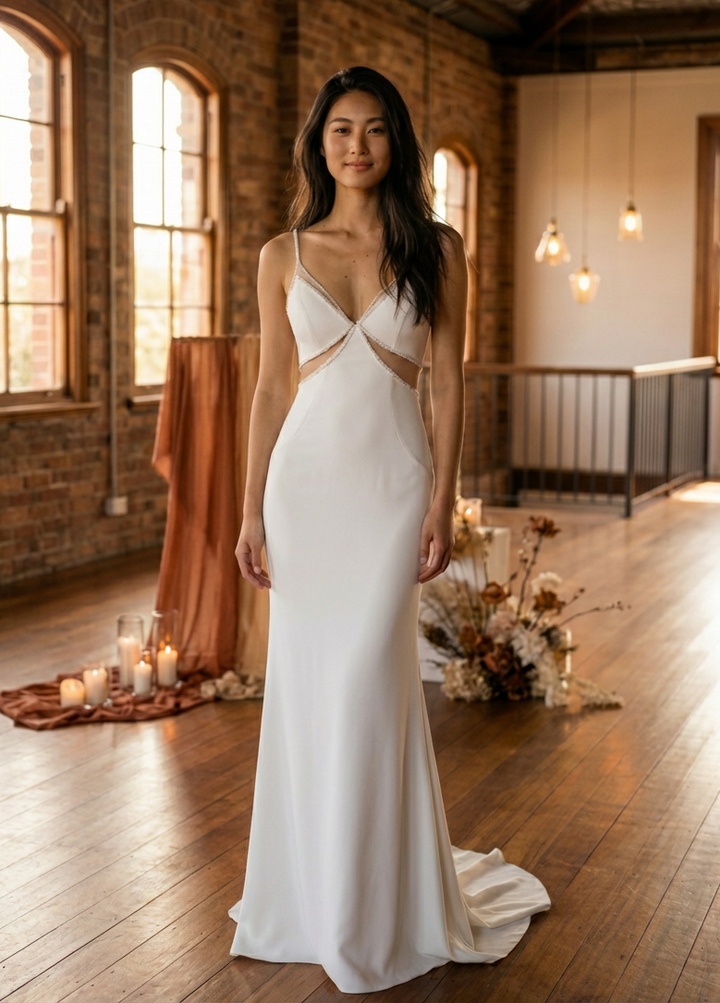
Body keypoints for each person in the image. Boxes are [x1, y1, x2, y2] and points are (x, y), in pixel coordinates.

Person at [230, 65, 550, 995]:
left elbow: (447, 384)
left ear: (395, 141)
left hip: (388, 494)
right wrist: (250, 507)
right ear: (318, 142)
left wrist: (441, 497)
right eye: (339, 129)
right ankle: (309, 896)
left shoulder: (438, 249)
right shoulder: (281, 254)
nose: (356, 145)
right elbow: (268, 392)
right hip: (303, 493)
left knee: (372, 690)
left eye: (372, 129)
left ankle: (377, 906)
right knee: (310, 693)